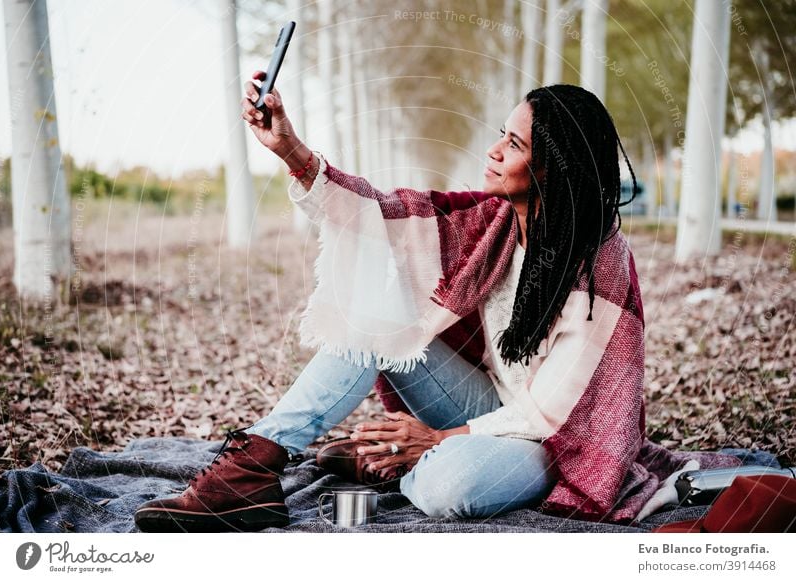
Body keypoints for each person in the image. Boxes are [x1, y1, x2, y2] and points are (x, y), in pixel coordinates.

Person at [133, 71, 739, 533]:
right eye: (502, 135)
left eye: (516, 144)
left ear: (553, 168)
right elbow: (384, 213)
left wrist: (435, 442)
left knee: (451, 488)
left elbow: (556, 411)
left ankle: (389, 461)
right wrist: (291, 152)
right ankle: (255, 465)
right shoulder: (495, 219)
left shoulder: (599, 263)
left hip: (558, 442)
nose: (496, 150)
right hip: (486, 404)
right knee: (377, 316)